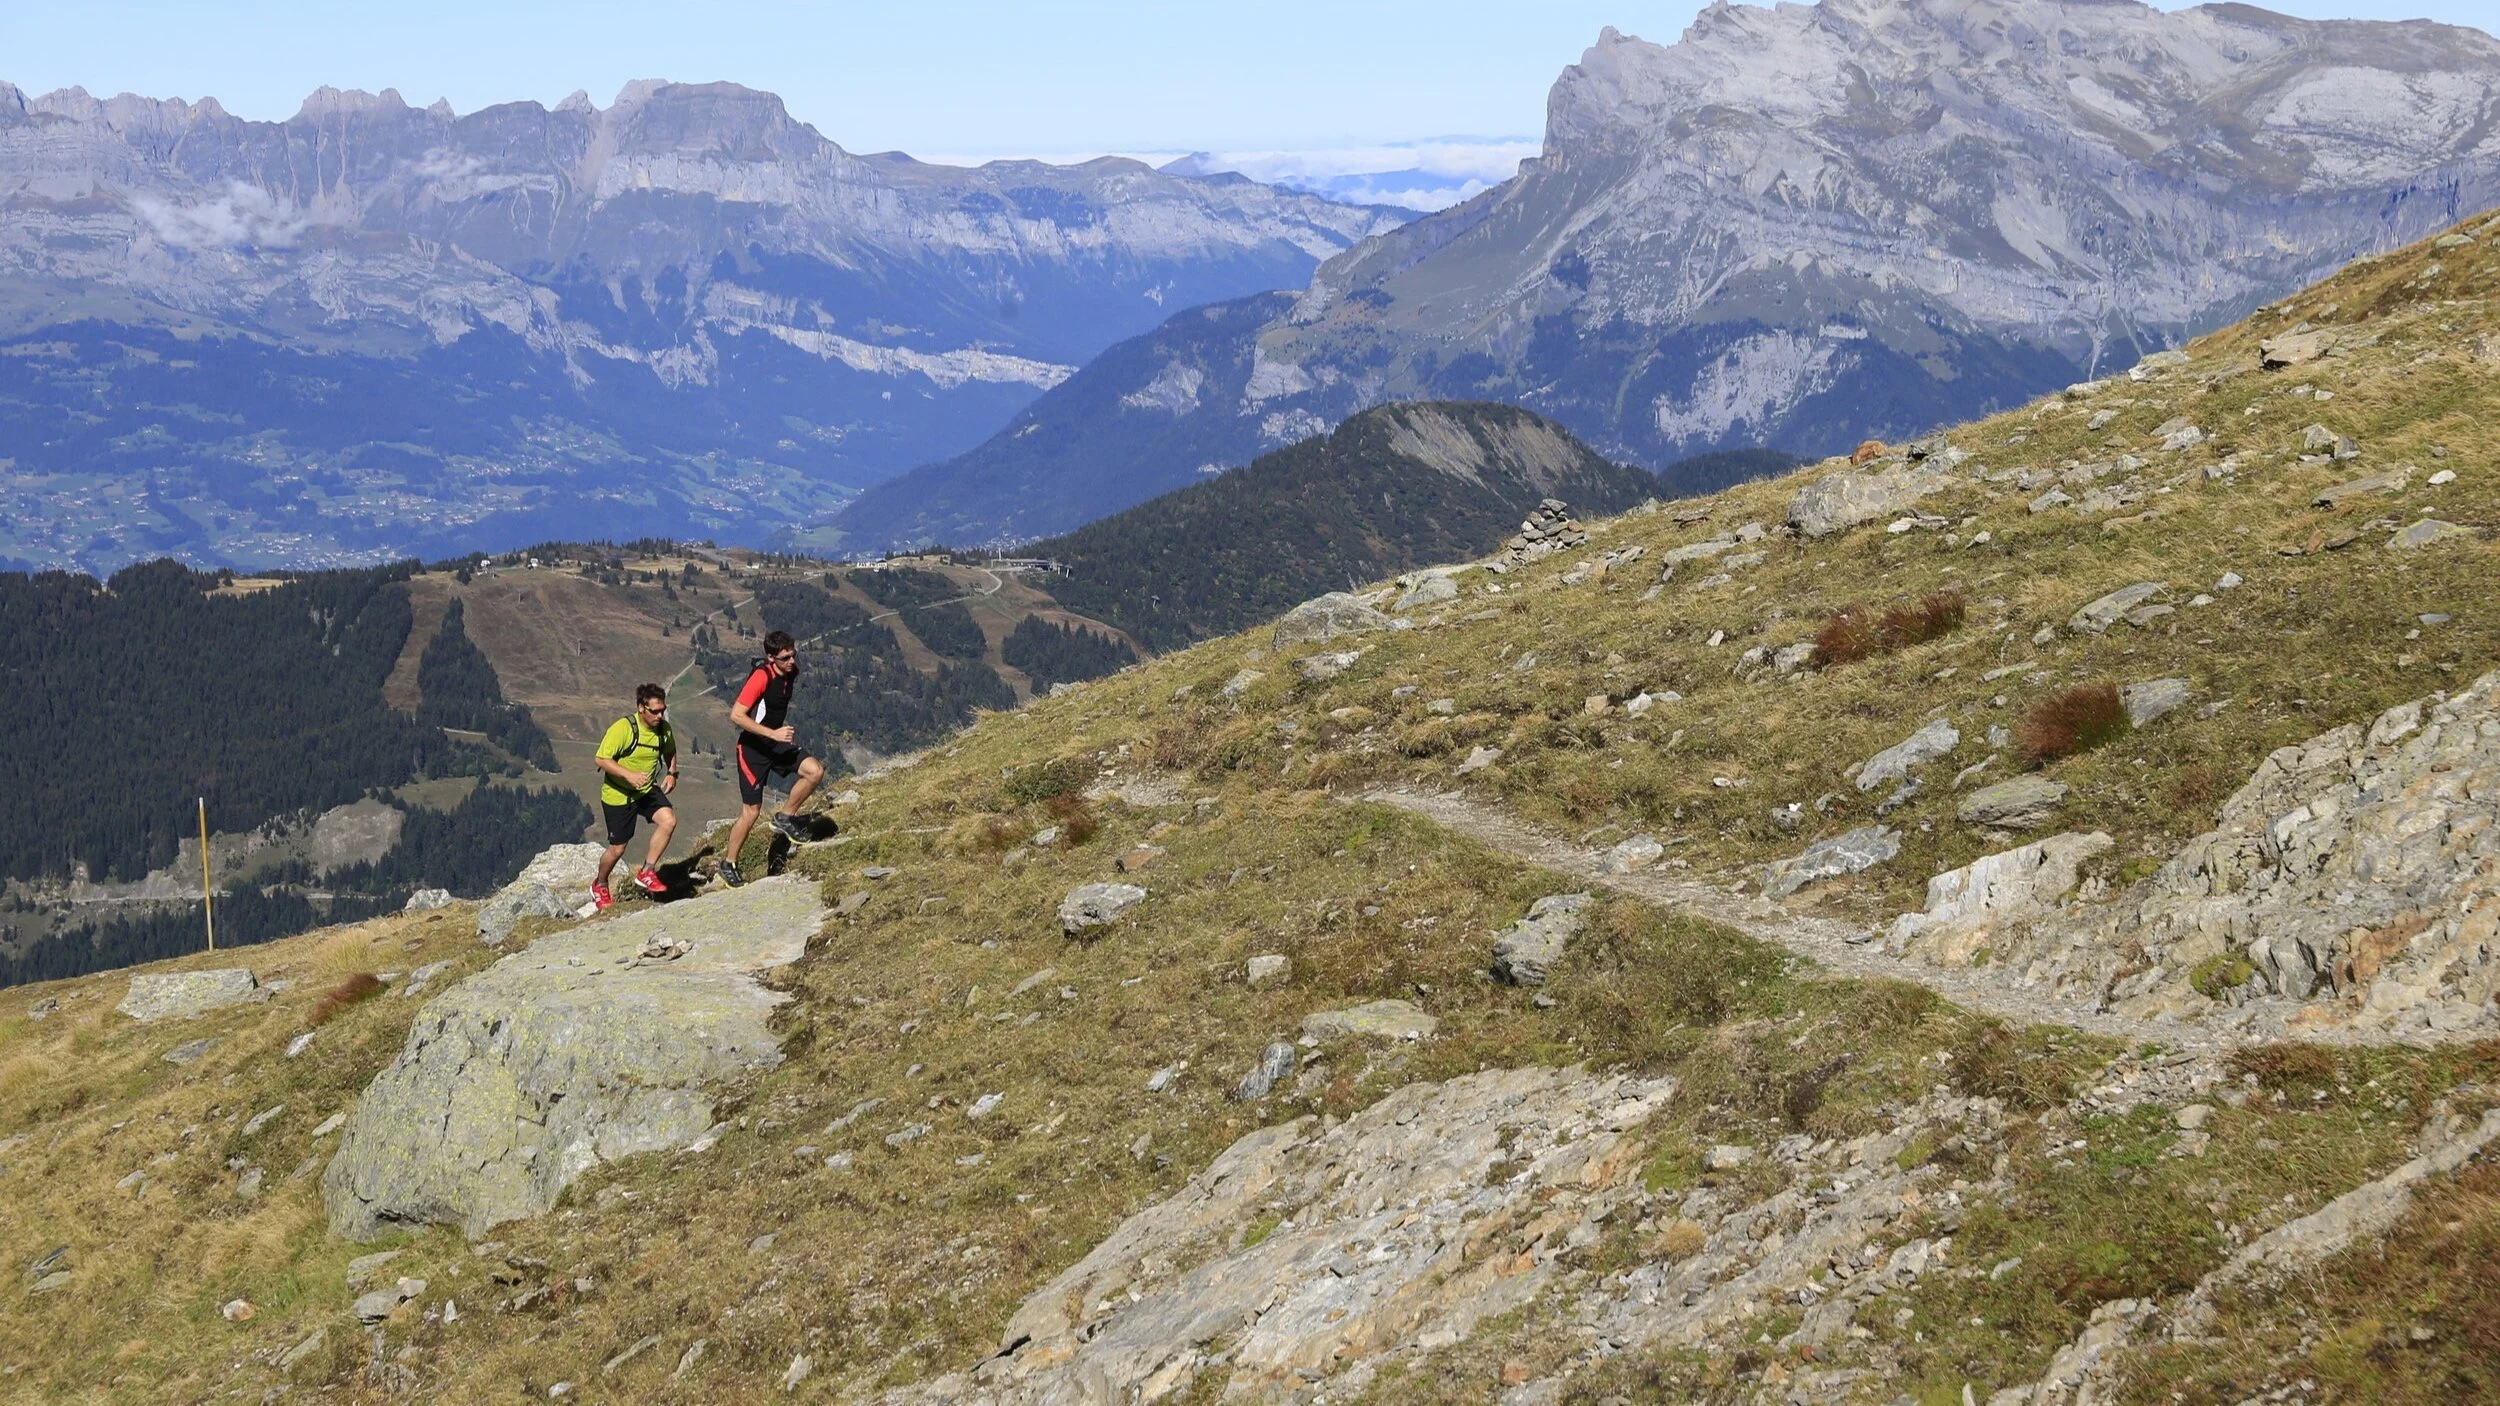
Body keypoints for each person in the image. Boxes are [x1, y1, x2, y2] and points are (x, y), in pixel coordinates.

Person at [719, 630, 826, 886]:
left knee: (815, 771)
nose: (792, 662)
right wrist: (773, 733)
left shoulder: (791, 673)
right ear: (770, 658)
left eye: (793, 655)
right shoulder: (761, 677)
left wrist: (777, 735)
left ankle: (785, 817)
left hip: (776, 742)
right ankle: (728, 863)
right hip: (752, 750)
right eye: (785, 658)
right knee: (751, 812)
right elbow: (737, 715)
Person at [591, 683, 678, 910]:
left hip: (646, 789)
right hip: (618, 794)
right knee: (618, 848)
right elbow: (601, 759)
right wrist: (628, 775)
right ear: (641, 708)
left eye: (663, 710)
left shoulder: (663, 729)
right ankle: (600, 884)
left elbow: (670, 750)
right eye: (655, 711)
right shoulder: (624, 728)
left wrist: (672, 772)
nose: (660, 716)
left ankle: (647, 872)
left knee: (668, 820)